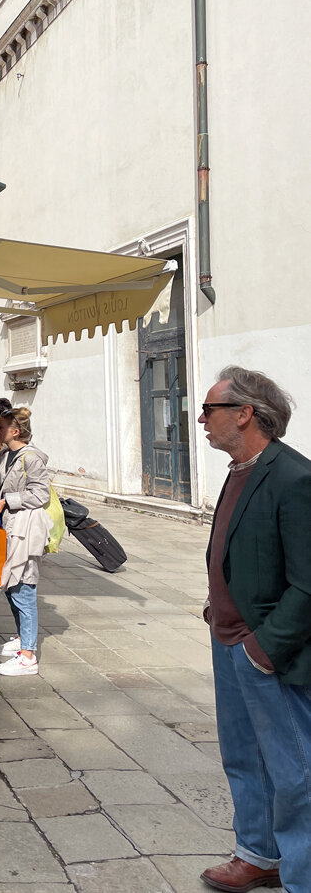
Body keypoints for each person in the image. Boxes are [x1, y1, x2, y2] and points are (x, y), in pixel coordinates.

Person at [197, 366, 311, 893]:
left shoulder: (293, 477)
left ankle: (301, 877)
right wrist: (217, 601)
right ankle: (258, 854)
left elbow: (308, 583)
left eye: (209, 409)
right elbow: (240, 550)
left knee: (295, 773)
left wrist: (264, 649)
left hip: (267, 653)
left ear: (244, 414)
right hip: (229, 641)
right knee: (241, 757)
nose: (200, 419)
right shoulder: (239, 468)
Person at [0, 407, 51, 676]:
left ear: (15, 431)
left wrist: (9, 500)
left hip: (26, 529)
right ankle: (23, 640)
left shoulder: (31, 458)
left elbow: (41, 494)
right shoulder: (5, 455)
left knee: (24, 588)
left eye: (0, 427)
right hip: (10, 528)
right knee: (12, 586)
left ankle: (28, 656)